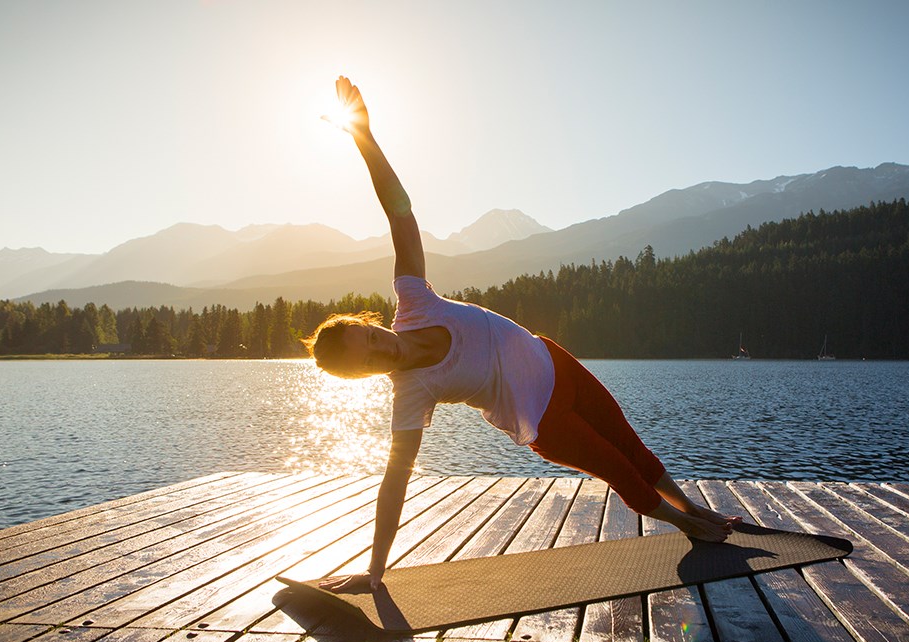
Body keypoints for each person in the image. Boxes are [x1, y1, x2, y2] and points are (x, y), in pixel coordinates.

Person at [306, 77, 741, 593]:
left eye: (370, 337)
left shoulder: (414, 301)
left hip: (556, 361)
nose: (383, 349)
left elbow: (399, 212)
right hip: (542, 418)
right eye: (369, 360)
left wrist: (364, 137)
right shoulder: (412, 392)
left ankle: (691, 507)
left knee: (630, 445)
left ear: (369, 324)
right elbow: (394, 482)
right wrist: (376, 571)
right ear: (364, 375)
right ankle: (690, 527)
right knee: (618, 471)